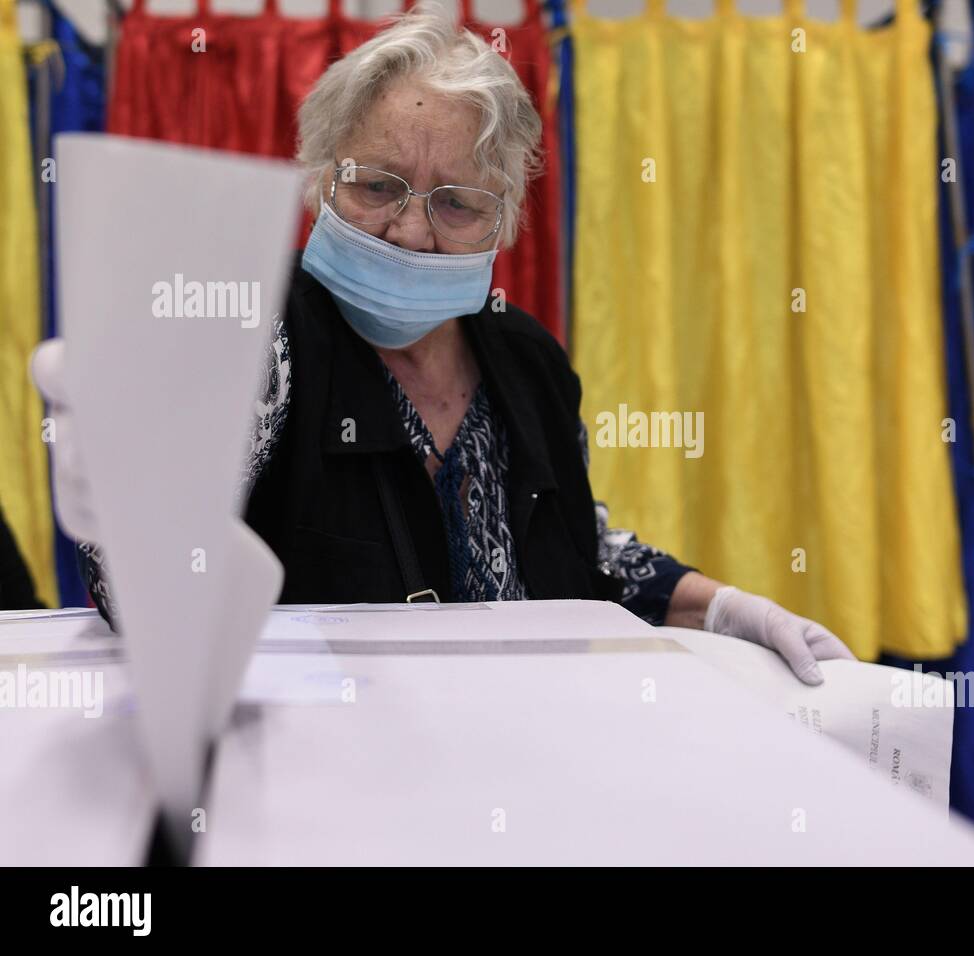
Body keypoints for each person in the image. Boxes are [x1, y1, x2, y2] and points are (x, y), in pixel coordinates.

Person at [31, 9, 853, 686]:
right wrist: (132, 511)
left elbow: (580, 548)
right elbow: (160, 588)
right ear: (320, 174)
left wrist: (719, 607)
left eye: (457, 204)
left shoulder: (527, 361)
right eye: (377, 185)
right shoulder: (258, 338)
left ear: (505, 221)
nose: (412, 231)